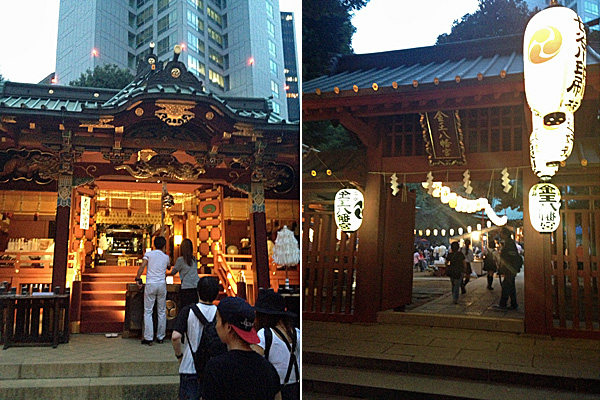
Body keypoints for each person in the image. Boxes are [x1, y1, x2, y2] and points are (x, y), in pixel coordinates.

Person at [202, 296, 282, 400]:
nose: (216, 326)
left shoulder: (216, 368)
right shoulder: (268, 368)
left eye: (217, 320)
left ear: (228, 327)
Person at [171, 276, 220, 400]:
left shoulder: (188, 311)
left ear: (198, 292)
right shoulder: (220, 313)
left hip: (190, 365)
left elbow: (175, 337)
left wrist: (179, 356)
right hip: (213, 367)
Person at [252, 289, 300, 400]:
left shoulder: (264, 335)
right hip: (294, 389)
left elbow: (253, 363)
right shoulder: (297, 333)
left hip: (274, 390)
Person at [135, 235, 170, 345]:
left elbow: (142, 267)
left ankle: (149, 337)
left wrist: (138, 278)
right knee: (161, 311)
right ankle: (160, 336)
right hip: (161, 285)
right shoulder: (166, 257)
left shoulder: (149, 254)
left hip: (150, 284)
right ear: (164, 245)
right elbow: (168, 267)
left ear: (154, 244)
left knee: (148, 311)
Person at [168, 238, 200, 308]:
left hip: (186, 287)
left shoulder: (180, 260)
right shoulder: (194, 259)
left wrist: (164, 274)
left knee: (185, 308)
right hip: (195, 286)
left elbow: (173, 272)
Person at [495, 227, 521, 310]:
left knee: (506, 285)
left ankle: (503, 303)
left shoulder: (509, 243)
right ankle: (513, 303)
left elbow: (510, 256)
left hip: (510, 268)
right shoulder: (508, 242)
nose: (500, 235)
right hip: (510, 268)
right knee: (510, 286)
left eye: (501, 233)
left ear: (505, 234)